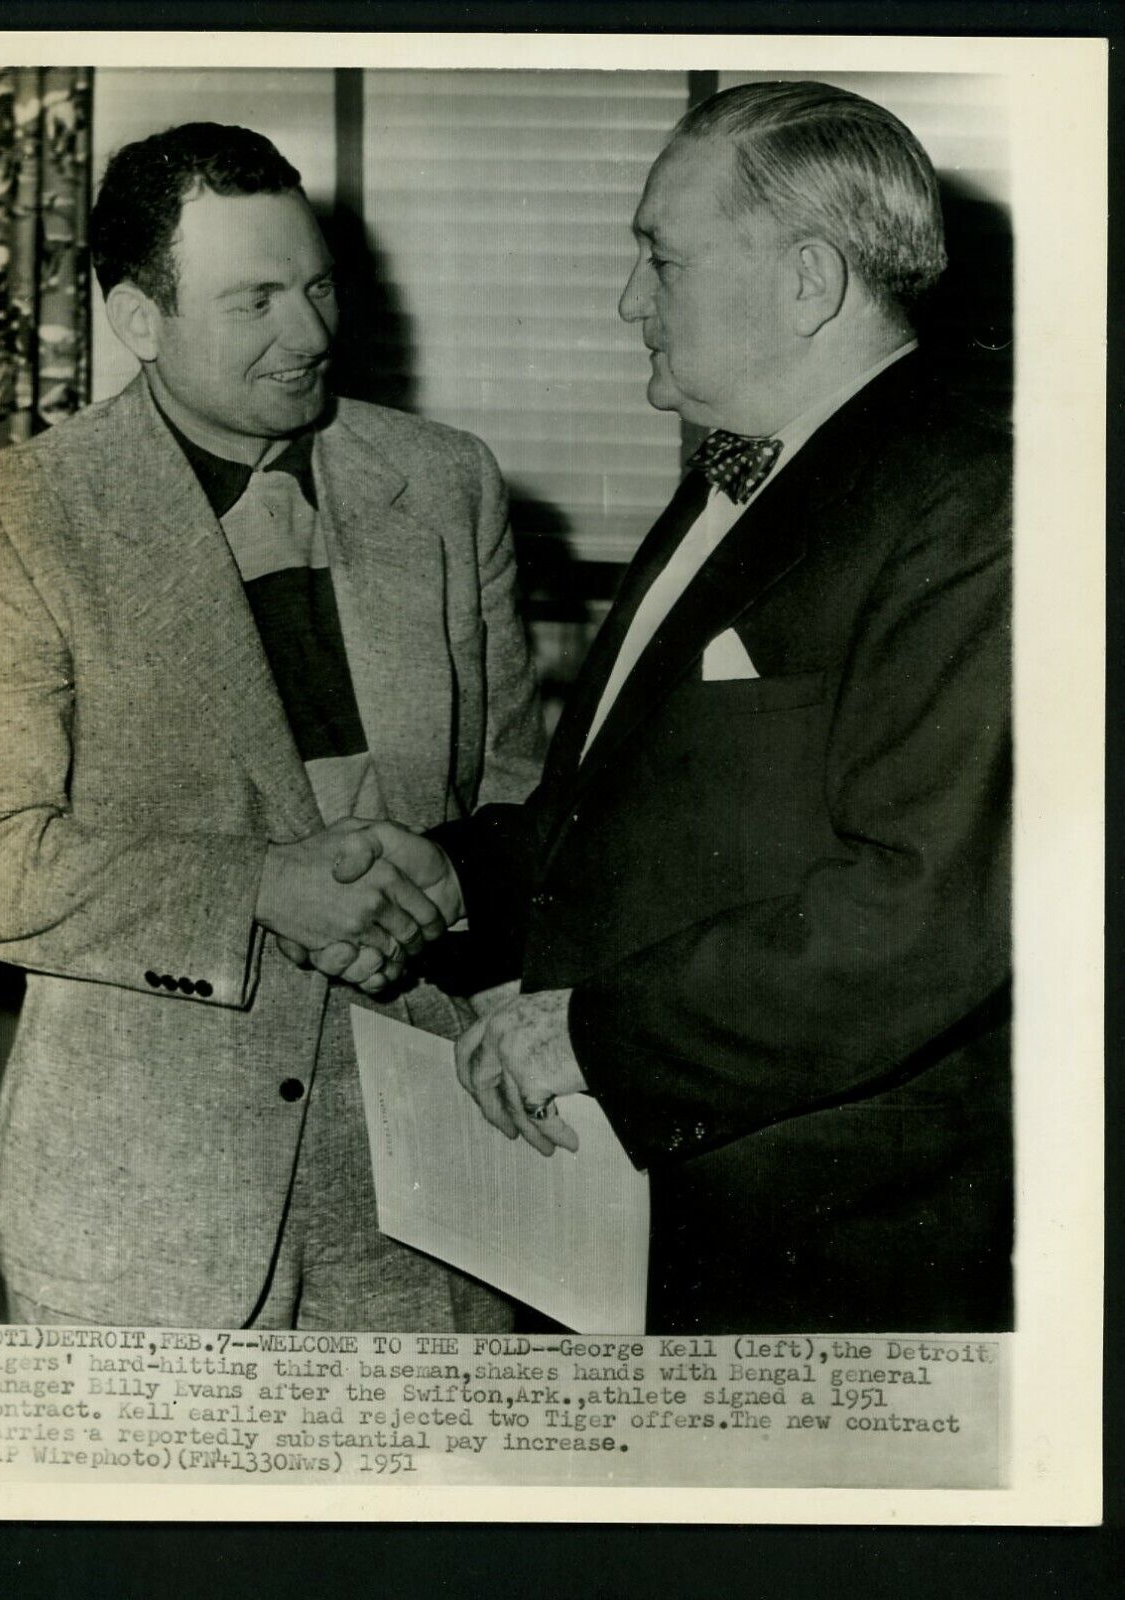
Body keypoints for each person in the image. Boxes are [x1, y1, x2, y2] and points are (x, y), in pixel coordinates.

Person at [335, 81, 1013, 1333]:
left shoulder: (974, 497)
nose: (628, 301)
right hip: (648, 1225)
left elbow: (921, 912)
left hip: (821, 1253)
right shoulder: (736, 466)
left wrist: (590, 1037)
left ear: (810, 282)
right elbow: (641, 809)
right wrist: (446, 876)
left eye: (662, 258)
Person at [0, 122, 544, 1330]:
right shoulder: (7, 516)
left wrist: (442, 905)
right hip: (151, 1217)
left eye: (317, 284)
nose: (313, 333)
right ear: (138, 320)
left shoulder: (446, 479)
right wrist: (262, 888)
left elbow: (519, 788)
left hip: (435, 1205)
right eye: (256, 300)